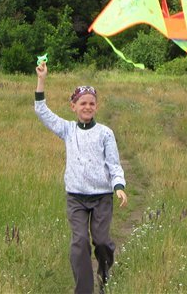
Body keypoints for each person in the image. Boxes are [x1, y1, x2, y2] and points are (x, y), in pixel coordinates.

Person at [34, 61, 128, 294]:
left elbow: (114, 163)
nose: (87, 107)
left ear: (96, 107)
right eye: (82, 103)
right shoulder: (67, 130)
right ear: (73, 106)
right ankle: (84, 290)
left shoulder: (105, 133)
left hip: (102, 198)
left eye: (91, 103)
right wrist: (42, 79)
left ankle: (104, 276)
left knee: (102, 242)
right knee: (79, 245)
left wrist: (118, 186)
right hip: (76, 198)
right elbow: (41, 111)